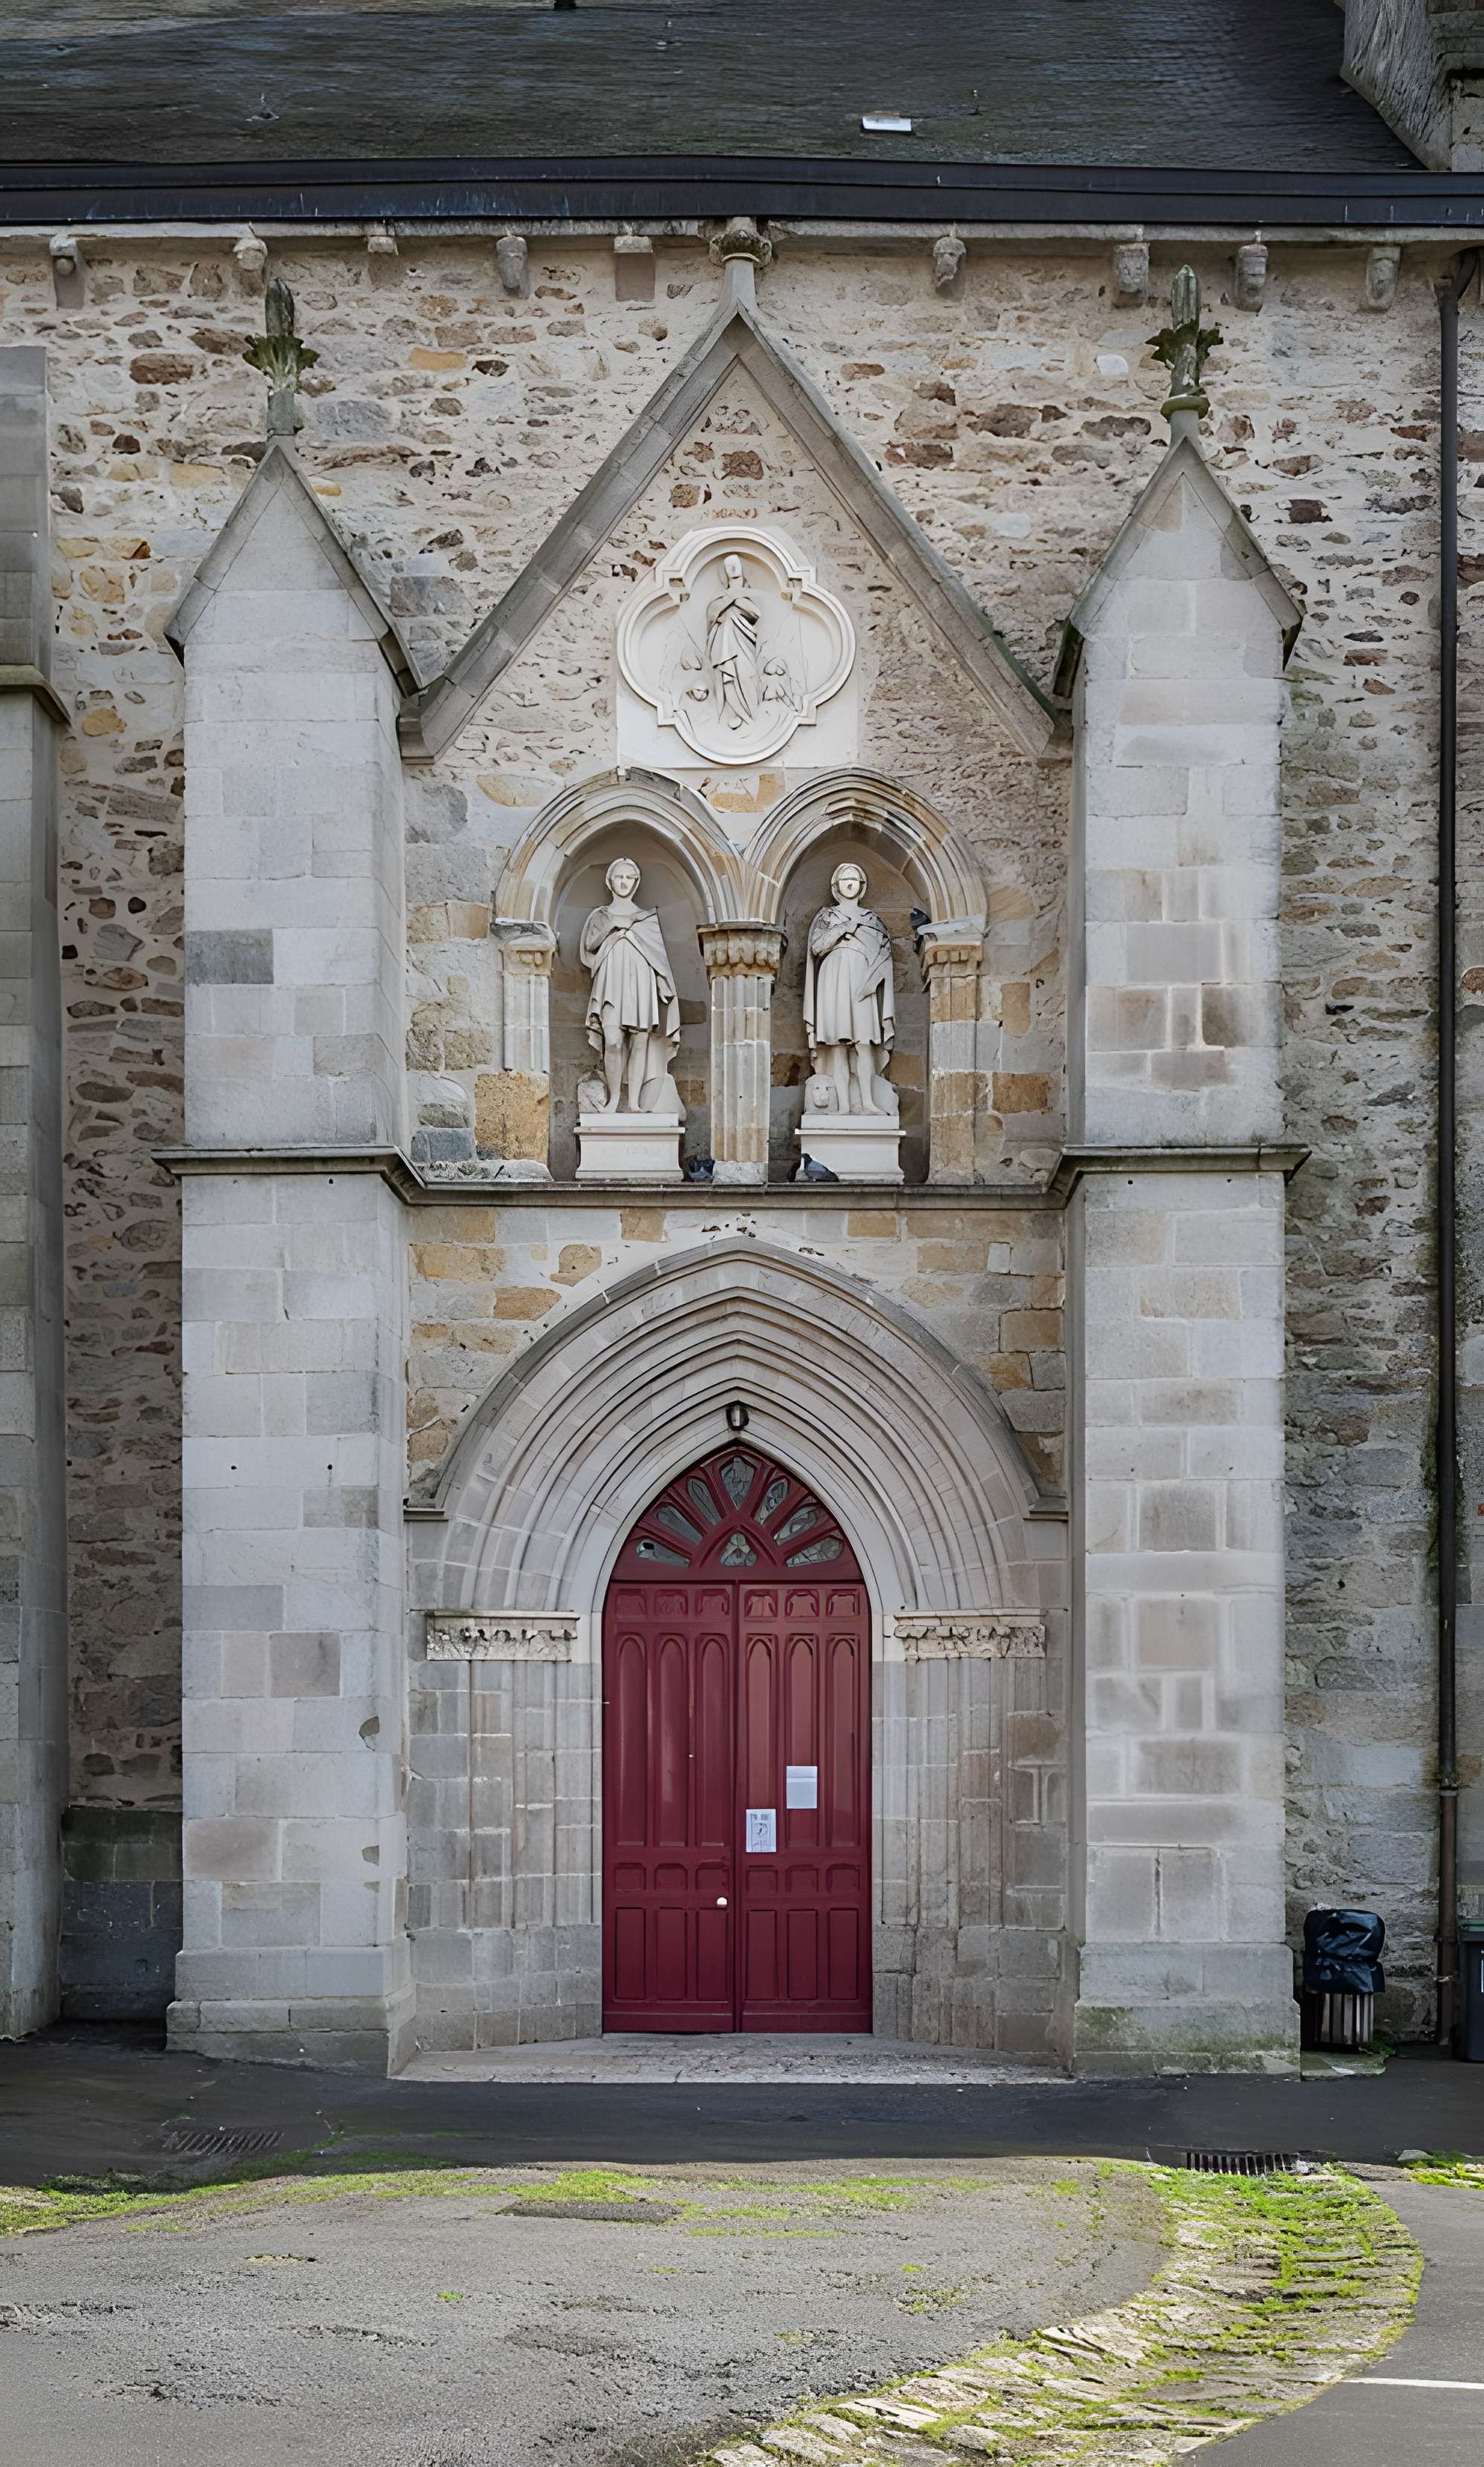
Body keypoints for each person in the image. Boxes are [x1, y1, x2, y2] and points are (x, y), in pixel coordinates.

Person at [579, 858, 680, 1113]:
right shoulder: (600, 916)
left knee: (639, 1042)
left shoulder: (646, 919)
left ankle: (633, 1102)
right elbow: (590, 945)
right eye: (619, 877)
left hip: (640, 985)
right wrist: (614, 926)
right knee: (612, 1041)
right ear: (610, 881)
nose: (624, 883)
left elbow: (658, 957)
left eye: (629, 878)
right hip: (611, 984)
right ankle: (614, 1100)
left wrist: (663, 983)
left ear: (636, 883)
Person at [803, 861, 896, 1116]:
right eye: (846, 878)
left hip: (863, 981)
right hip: (834, 980)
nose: (851, 882)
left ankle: (867, 1103)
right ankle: (844, 1105)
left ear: (862, 886)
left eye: (855, 878)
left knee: (865, 1043)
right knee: (839, 1046)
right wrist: (843, 929)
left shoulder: (873, 921)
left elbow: (884, 954)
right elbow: (817, 947)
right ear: (837, 886)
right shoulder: (827, 917)